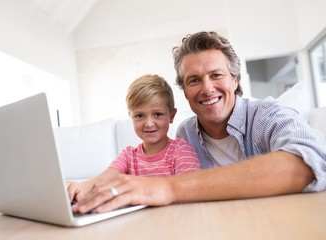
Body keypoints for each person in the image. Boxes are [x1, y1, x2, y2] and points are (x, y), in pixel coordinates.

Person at [70, 31, 326, 214]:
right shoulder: (186, 133)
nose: (207, 88)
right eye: (194, 80)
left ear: (235, 80)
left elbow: (309, 160)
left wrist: (167, 188)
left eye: (216, 75)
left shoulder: (267, 114)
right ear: (184, 90)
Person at [68, 74, 200, 207]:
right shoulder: (128, 155)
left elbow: (190, 191)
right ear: (131, 117)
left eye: (157, 114)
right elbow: (102, 180)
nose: (149, 123)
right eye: (139, 116)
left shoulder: (181, 151)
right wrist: (78, 187)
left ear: (171, 115)